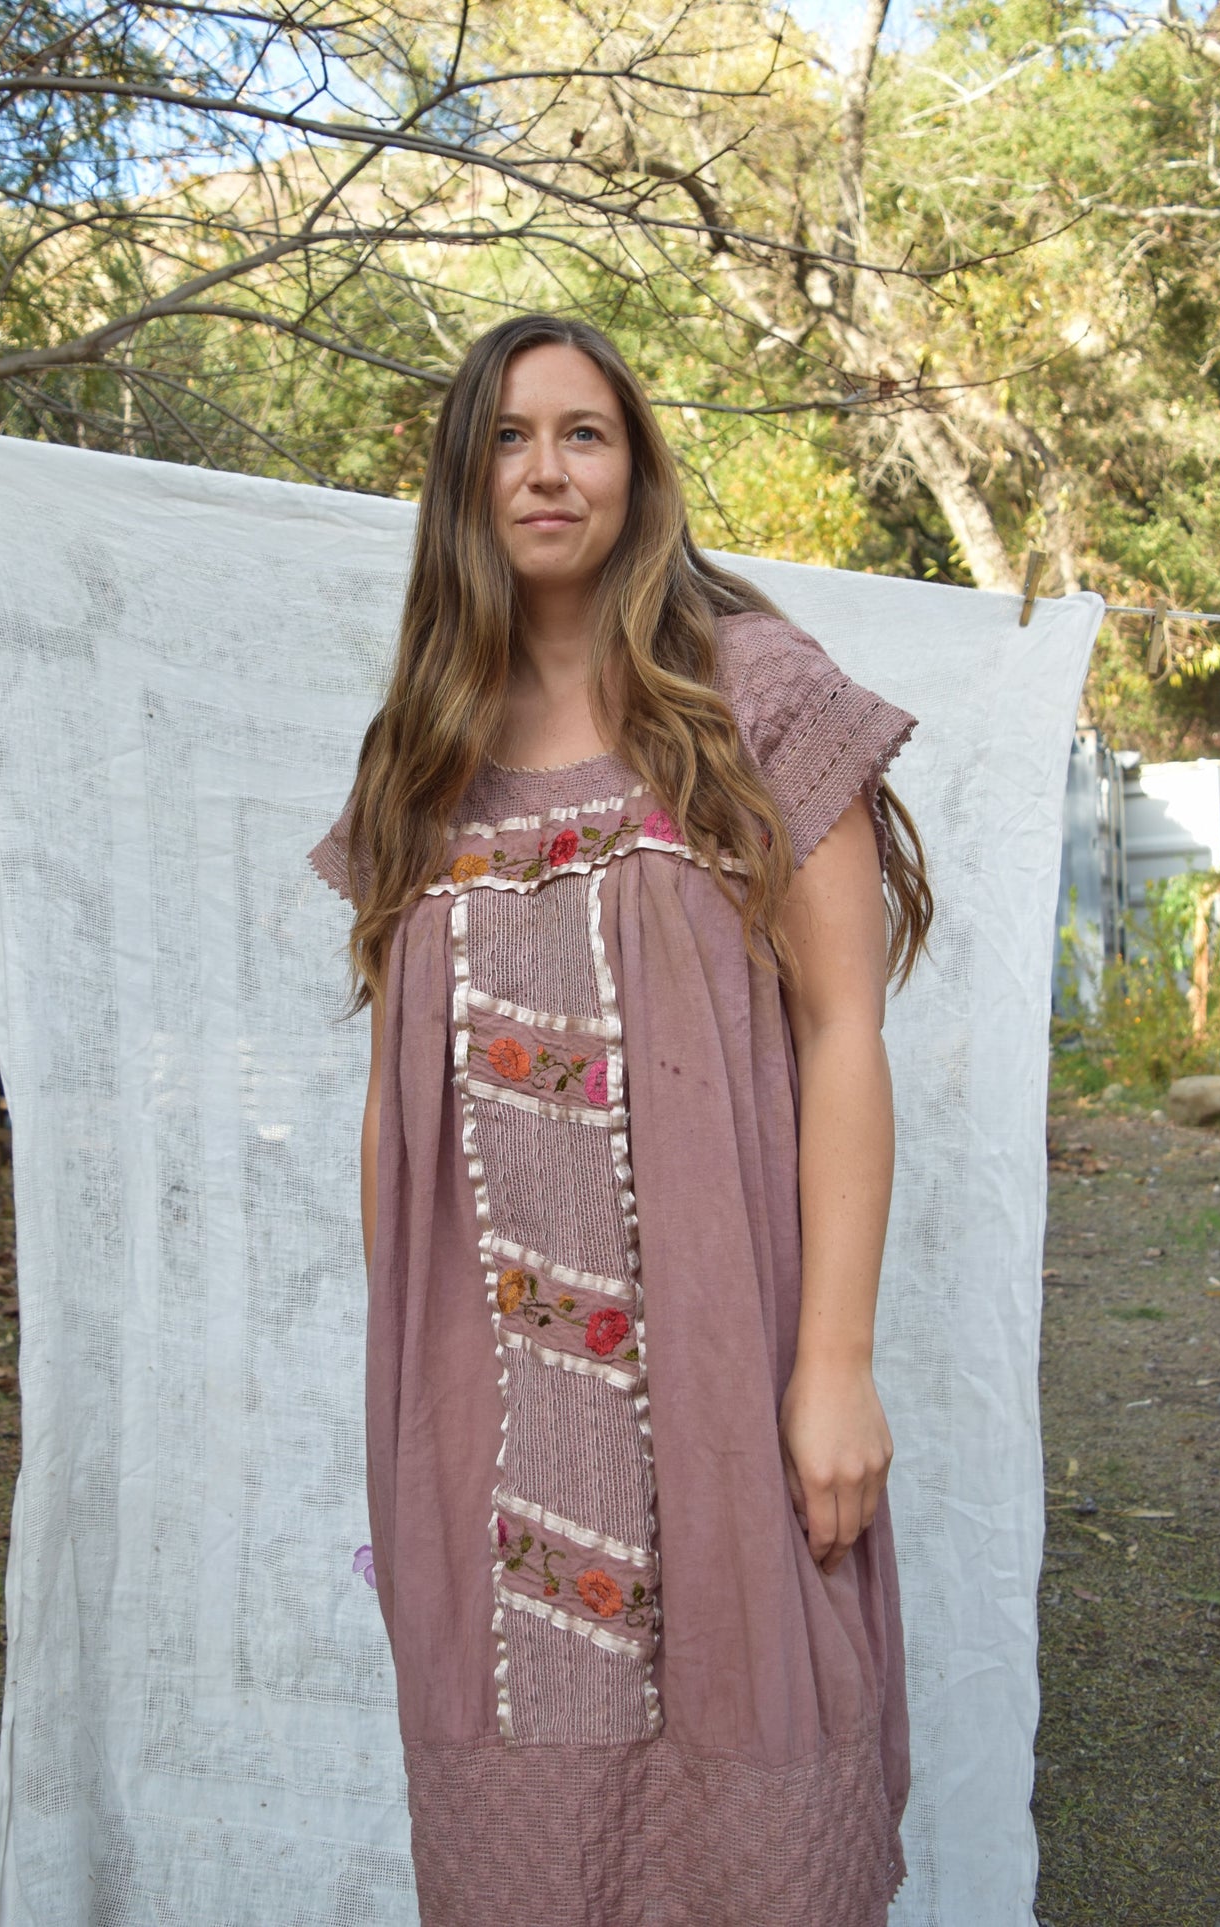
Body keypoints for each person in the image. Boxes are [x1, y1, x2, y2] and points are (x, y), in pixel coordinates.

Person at [308, 312, 933, 1927]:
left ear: (638, 470)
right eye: (507, 438)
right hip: (488, 1396)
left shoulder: (751, 699)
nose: (545, 469)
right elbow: (395, 1109)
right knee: (522, 1815)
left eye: (582, 433)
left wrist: (835, 1365)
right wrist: (401, 1403)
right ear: (463, 481)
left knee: (765, 1793)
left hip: (730, 1359)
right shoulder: (421, 762)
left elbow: (842, 1029)